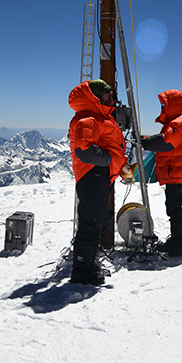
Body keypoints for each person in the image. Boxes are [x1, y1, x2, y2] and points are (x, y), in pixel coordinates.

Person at [68, 79, 126, 285]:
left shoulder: (99, 117)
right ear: (94, 97)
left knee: (96, 221)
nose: (112, 98)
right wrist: (109, 160)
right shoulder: (87, 119)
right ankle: (82, 270)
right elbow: (84, 150)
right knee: (90, 223)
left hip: (99, 175)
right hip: (93, 175)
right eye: (107, 95)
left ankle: (88, 264)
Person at [141, 89, 182, 257]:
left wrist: (144, 142)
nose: (162, 107)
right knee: (174, 207)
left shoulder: (180, 122)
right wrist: (146, 139)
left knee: (174, 208)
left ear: (172, 104)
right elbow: (166, 138)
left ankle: (181, 244)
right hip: (177, 171)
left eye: (164, 104)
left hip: (178, 172)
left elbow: (166, 142)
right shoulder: (177, 122)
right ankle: (179, 240)